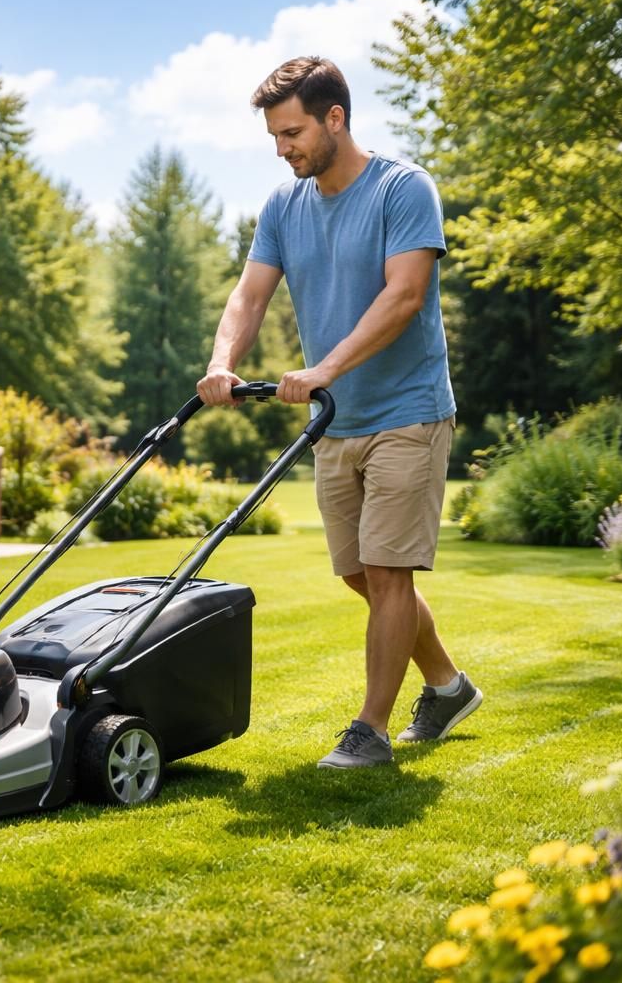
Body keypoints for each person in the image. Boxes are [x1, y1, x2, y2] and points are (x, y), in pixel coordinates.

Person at [196, 56, 481, 769]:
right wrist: (221, 361)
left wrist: (324, 367)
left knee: (388, 573)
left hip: (408, 410)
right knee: (359, 572)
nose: (282, 147)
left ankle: (371, 731)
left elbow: (404, 295)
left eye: (291, 132)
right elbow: (250, 295)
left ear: (334, 118)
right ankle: (447, 685)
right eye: (274, 136)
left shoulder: (403, 188)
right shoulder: (283, 207)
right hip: (335, 420)